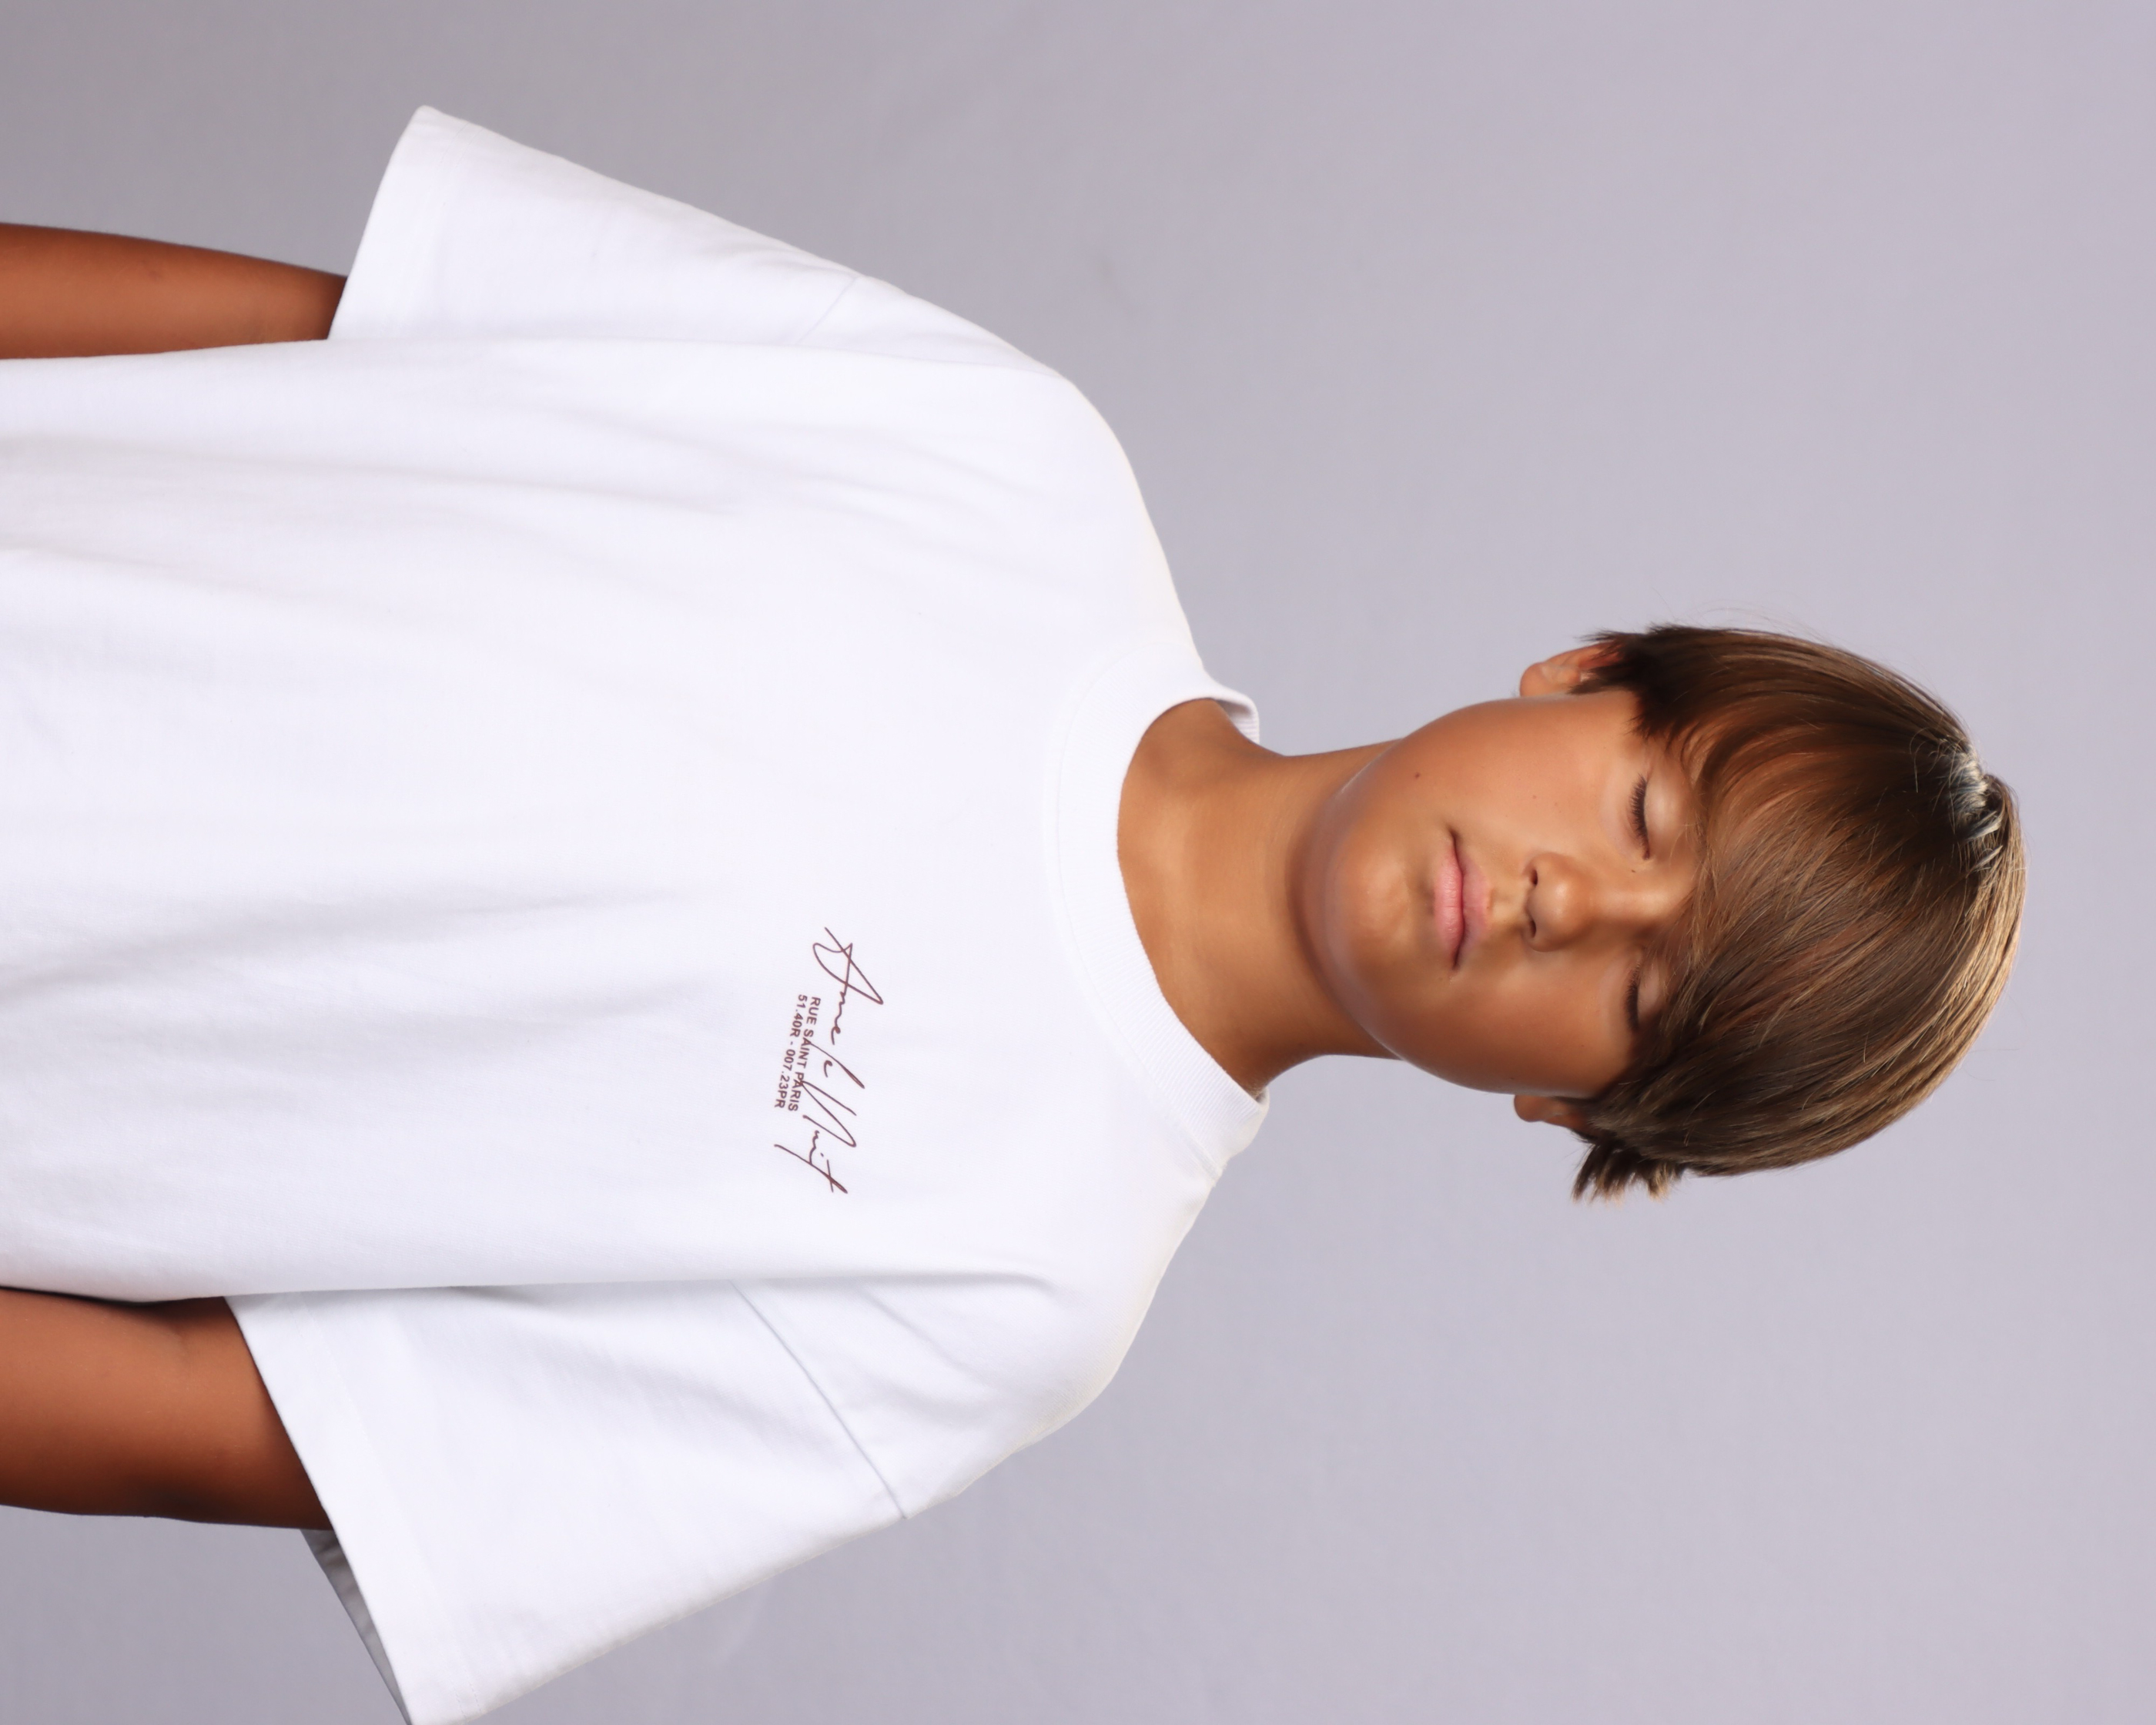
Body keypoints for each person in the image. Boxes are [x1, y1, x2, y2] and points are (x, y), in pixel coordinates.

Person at [0, 111, 2023, 1723]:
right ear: (1584, 675)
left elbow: (218, 1421)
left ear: (1576, 1116)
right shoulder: (1006, 459)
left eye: (1646, 994)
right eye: (1647, 810)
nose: (1571, 899)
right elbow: (341, 335)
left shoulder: (1019, 1287)